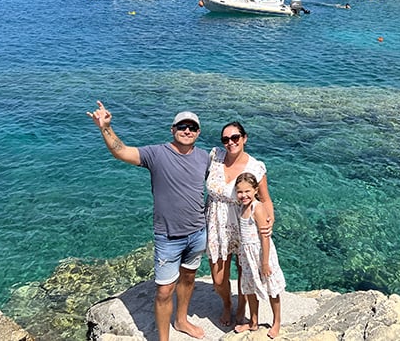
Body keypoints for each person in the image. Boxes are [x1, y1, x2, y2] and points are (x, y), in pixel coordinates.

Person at [87, 101, 209, 341]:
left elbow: (224, 179)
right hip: (168, 236)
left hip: (198, 232)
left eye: (192, 127)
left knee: (189, 278)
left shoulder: (204, 158)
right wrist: (105, 128)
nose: (187, 131)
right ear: (172, 129)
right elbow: (121, 150)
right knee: (164, 291)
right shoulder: (156, 153)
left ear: (198, 133)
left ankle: (181, 320)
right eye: (182, 126)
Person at [205, 122, 274, 327]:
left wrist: (268, 223)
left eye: (235, 137)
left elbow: (266, 199)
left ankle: (242, 305)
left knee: (244, 271)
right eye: (226, 139)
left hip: (245, 224)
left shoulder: (255, 167)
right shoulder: (215, 156)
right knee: (218, 279)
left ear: (244, 138)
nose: (230, 142)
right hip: (216, 225)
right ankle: (227, 303)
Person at [233, 172, 286, 338]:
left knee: (272, 289)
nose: (243, 195)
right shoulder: (242, 208)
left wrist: (264, 263)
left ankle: (276, 321)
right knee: (249, 288)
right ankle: (253, 322)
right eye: (240, 192)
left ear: (256, 190)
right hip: (247, 256)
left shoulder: (258, 208)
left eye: (247, 191)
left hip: (262, 254)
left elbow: (265, 237)